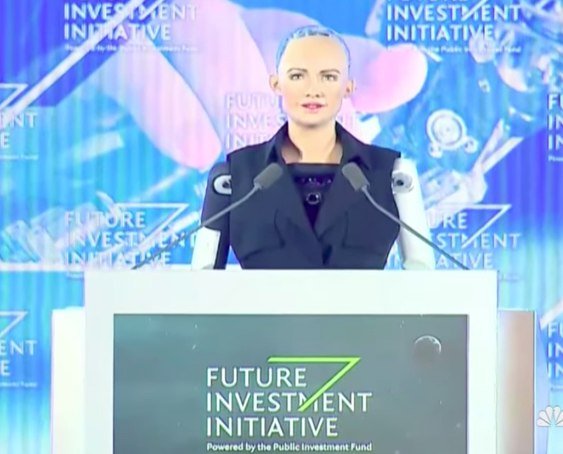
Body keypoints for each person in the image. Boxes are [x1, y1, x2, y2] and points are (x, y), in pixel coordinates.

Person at [194, 25, 405, 270]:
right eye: (297, 76)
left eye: (328, 77)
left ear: (348, 86)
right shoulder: (235, 175)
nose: (313, 90)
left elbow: (421, 270)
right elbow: (203, 274)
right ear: (276, 84)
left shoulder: (390, 174)